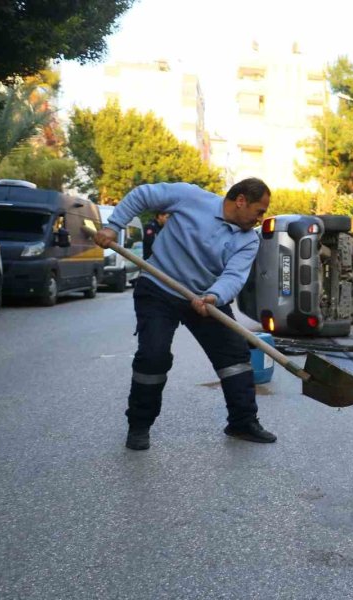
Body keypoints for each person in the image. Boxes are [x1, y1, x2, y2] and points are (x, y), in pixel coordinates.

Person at [93, 178, 275, 451]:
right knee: (154, 355)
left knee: (235, 356)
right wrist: (113, 225)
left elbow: (234, 276)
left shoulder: (248, 240)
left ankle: (242, 422)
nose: (260, 219)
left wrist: (213, 296)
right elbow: (143, 195)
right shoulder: (190, 198)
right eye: (259, 211)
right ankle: (139, 426)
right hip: (158, 288)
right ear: (241, 201)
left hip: (204, 297)